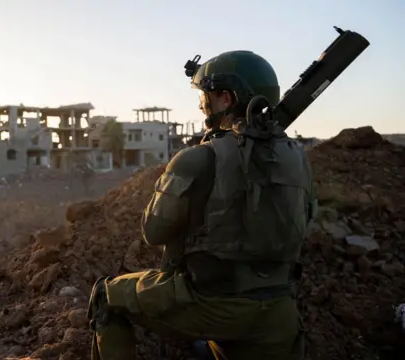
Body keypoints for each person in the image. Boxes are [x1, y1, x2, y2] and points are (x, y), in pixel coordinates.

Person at [87, 50, 316, 360]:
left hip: (213, 304)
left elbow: (153, 232)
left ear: (225, 98)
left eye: (206, 95)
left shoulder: (199, 158)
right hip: (278, 310)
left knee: (106, 296)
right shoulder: (297, 159)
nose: (200, 104)